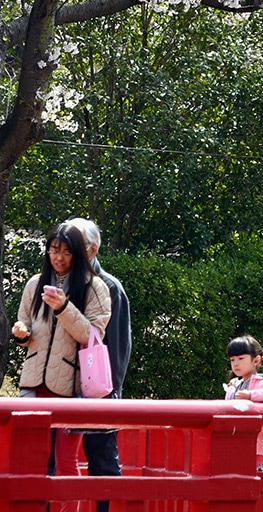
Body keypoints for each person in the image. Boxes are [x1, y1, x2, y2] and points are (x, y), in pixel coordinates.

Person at [67, 218, 130, 512]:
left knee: (102, 461)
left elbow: (116, 347)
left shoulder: (108, 287)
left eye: (74, 245)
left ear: (92, 249)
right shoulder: (59, 281)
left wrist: (110, 394)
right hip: (62, 385)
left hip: (96, 389)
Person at [10, 222, 112, 397]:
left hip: (69, 387)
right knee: (28, 424)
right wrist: (22, 332)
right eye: (55, 251)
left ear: (78, 254)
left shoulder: (95, 287)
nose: (59, 258)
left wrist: (63, 308)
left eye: (67, 252)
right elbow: (25, 326)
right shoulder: (34, 284)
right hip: (32, 383)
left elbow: (93, 337)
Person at [224, 336, 263, 471]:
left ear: (256, 360)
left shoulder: (261, 383)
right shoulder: (234, 385)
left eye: (240, 359)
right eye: (232, 360)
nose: (235, 363)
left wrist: (252, 395)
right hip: (235, 440)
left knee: (255, 480)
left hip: (257, 443)